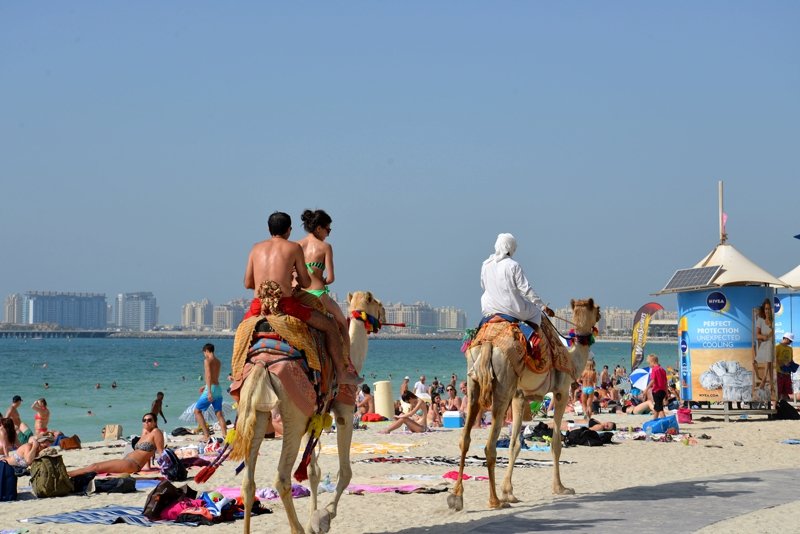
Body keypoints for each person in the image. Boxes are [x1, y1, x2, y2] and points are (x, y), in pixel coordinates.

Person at [243, 211, 361, 385]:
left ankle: (237, 376)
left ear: (269, 229)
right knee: (330, 326)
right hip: (286, 305)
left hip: (258, 306)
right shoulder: (293, 248)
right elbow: (305, 282)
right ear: (288, 230)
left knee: (242, 334)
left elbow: (248, 283)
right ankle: (342, 373)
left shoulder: (255, 248)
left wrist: (267, 289)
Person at [480, 233, 555, 338]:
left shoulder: (486, 264)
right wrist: (543, 306)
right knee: (536, 313)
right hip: (511, 309)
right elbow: (526, 290)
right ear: (510, 248)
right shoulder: (513, 265)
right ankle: (531, 341)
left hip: (490, 309)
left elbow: (484, 286)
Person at [297, 209, 351, 349]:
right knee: (343, 323)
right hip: (318, 295)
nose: (328, 234)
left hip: (298, 294)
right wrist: (321, 281)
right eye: (328, 230)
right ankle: (347, 363)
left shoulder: (296, 246)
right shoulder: (325, 247)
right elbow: (331, 278)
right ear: (319, 228)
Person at [68, 413, 164, 476]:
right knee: (95, 467)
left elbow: (161, 452)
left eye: (149, 420)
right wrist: (148, 467)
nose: (146, 422)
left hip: (132, 464)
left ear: (155, 422)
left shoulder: (156, 432)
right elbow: (146, 452)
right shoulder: (145, 433)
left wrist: (164, 469)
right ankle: (67, 474)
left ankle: (67, 474)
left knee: (94, 467)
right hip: (126, 461)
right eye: (144, 420)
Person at [193, 343, 228, 441]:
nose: (204, 354)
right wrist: (205, 386)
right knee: (219, 414)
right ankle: (225, 435)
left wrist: (208, 391)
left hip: (211, 389)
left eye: (204, 352)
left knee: (197, 411)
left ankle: (206, 435)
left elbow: (208, 376)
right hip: (217, 388)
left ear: (206, 351)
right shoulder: (218, 361)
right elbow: (215, 376)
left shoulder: (207, 360)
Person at [754, 298, 775, 391]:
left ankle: (768, 382)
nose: (767, 311)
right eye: (766, 309)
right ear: (763, 309)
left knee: (770, 346)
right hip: (763, 346)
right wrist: (763, 337)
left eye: (769, 309)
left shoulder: (772, 320)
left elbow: (773, 335)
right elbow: (757, 335)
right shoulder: (760, 320)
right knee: (769, 347)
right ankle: (766, 380)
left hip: (770, 347)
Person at [646, 354, 668, 420]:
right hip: (662, 391)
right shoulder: (663, 370)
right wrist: (666, 393)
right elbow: (665, 383)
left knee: (660, 409)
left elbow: (652, 380)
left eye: (649, 363)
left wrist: (646, 389)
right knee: (656, 407)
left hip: (657, 391)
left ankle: (665, 422)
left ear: (653, 362)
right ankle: (654, 420)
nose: (649, 365)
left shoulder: (654, 369)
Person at [776, 332, 795, 403]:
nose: (790, 342)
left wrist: (793, 366)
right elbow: (774, 358)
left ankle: (784, 408)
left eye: (791, 341)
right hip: (779, 373)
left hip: (787, 374)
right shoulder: (777, 347)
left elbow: (791, 359)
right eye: (789, 340)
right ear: (785, 338)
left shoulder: (790, 349)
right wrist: (783, 364)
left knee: (786, 392)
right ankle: (775, 408)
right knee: (778, 392)